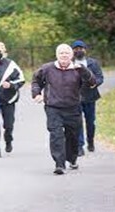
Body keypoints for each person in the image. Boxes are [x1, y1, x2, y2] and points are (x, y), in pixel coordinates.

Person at [31, 44, 96, 175]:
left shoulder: (79, 69)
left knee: (72, 136)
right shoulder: (47, 68)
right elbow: (36, 81)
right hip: (53, 107)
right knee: (56, 134)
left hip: (73, 107)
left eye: (67, 53)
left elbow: (92, 82)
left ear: (71, 55)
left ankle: (72, 159)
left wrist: (84, 71)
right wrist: (37, 93)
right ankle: (59, 164)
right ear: (57, 55)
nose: (64, 55)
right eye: (61, 53)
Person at [71, 40, 104, 156]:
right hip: (75, 97)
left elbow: (100, 77)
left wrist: (95, 83)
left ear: (85, 50)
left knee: (90, 122)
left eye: (81, 48)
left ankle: (91, 140)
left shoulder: (92, 63)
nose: (78, 50)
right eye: (76, 48)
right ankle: (80, 146)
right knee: (77, 122)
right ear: (72, 51)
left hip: (90, 96)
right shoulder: (70, 63)